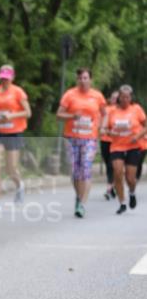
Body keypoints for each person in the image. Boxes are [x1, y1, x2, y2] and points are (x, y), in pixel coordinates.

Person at [56, 67, 106, 218]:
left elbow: (105, 114)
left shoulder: (97, 96)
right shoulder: (69, 95)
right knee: (75, 172)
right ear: (77, 80)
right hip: (71, 137)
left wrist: (102, 127)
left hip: (89, 137)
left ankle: (82, 204)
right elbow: (58, 115)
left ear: (90, 79)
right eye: (80, 78)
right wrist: (72, 116)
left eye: (85, 78)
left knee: (85, 168)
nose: (83, 81)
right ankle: (79, 197)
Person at [0, 64, 31, 213]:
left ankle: (20, 186)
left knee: (10, 169)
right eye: (2, 78)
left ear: (12, 78)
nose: (4, 81)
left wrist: (12, 115)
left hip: (14, 132)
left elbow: (28, 112)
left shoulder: (18, 92)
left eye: (7, 79)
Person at [101, 85, 147, 214]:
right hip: (117, 146)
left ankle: (132, 193)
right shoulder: (112, 111)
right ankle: (122, 203)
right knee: (117, 172)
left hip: (133, 146)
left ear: (130, 97)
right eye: (123, 97)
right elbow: (103, 128)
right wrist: (109, 132)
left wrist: (137, 136)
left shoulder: (136, 109)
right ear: (119, 97)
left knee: (130, 178)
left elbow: (145, 126)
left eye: (128, 97)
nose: (125, 99)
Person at [101, 90, 119, 200]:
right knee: (108, 163)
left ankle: (109, 187)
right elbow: (100, 125)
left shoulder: (122, 110)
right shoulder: (106, 110)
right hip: (105, 140)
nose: (115, 100)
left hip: (117, 142)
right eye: (113, 97)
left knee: (112, 165)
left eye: (117, 98)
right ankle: (113, 186)